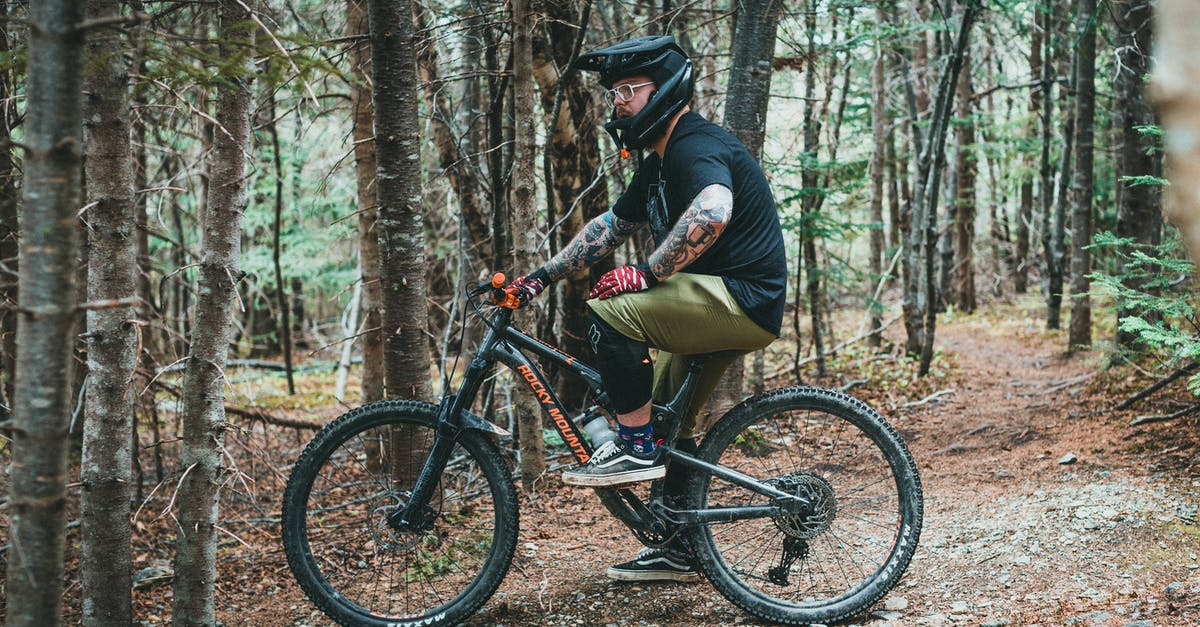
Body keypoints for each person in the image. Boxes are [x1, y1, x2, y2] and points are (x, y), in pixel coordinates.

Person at [508, 35, 787, 582]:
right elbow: (608, 228)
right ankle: (681, 547)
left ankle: (633, 447)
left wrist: (651, 272)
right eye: (613, 93)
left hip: (743, 297)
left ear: (666, 90)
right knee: (668, 414)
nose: (617, 102)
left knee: (613, 307)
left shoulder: (692, 144)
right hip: (729, 302)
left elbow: (714, 205)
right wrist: (539, 277)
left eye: (628, 90)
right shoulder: (659, 161)